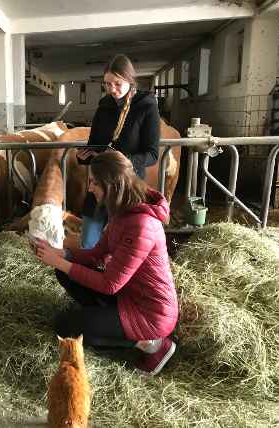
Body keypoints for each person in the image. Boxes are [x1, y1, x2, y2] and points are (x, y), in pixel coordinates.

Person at [33, 151, 178, 376]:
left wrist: (62, 263)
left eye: (93, 182)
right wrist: (62, 254)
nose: (89, 187)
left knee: (65, 326)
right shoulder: (123, 213)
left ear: (111, 185)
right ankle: (104, 321)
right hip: (130, 296)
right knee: (64, 272)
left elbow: (111, 284)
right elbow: (98, 255)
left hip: (150, 313)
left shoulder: (141, 225)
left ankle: (153, 344)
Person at [77, 54, 160, 249]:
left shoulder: (146, 106)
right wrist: (84, 157)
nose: (112, 89)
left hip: (127, 186)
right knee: (88, 242)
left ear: (130, 81)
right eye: (107, 84)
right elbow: (94, 144)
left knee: (124, 245)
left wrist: (123, 159)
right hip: (99, 184)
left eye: (117, 83)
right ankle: (90, 276)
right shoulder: (103, 106)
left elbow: (152, 154)